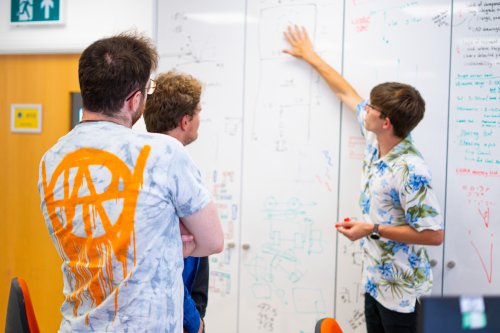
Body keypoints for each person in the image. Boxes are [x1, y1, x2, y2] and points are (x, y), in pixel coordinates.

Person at [38, 33, 224, 332]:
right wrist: (158, 245)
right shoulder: (162, 153)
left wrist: (133, 246)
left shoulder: (51, 160)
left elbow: (91, 240)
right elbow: (212, 241)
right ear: (135, 99)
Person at [283, 26, 444, 333]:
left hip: (402, 293)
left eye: (371, 106)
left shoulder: (411, 170)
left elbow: (434, 235)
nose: (364, 108)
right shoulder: (376, 143)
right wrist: (310, 56)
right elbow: (345, 91)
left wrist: (372, 229)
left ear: (385, 122)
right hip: (374, 281)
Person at [143, 71, 210, 333]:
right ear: (185, 121)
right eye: (198, 112)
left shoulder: (143, 164)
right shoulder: (170, 170)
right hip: (175, 316)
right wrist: (194, 323)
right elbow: (166, 264)